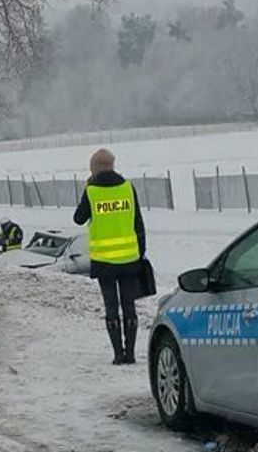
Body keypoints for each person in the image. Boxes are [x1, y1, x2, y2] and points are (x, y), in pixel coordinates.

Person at [73, 148, 146, 365]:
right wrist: (141, 252)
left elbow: (78, 218)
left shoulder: (92, 191)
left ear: (94, 169)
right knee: (129, 306)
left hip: (104, 262)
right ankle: (131, 353)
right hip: (129, 259)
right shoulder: (128, 188)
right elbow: (138, 222)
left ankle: (118, 354)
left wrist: (87, 188)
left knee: (111, 307)